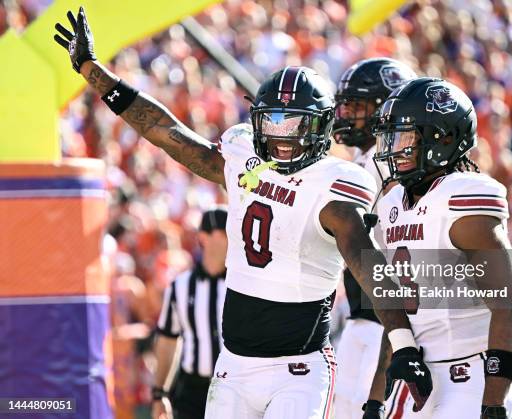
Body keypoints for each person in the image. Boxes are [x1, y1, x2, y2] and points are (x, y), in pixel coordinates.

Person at [54, 8, 433, 418]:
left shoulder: (335, 183)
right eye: (272, 121)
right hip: (232, 366)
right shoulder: (244, 157)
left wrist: (404, 343)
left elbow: (368, 264)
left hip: (298, 369)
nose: (281, 136)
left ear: (321, 128)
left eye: (295, 124)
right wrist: (95, 73)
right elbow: (168, 135)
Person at [366, 77, 512, 419]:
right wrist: (376, 400)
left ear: (445, 138)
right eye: (390, 137)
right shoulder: (391, 203)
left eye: (405, 137)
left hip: (468, 375)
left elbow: (508, 306)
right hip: (413, 375)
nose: (393, 149)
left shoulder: (462, 200)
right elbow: (397, 315)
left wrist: (494, 400)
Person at [332, 58, 416, 419]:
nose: (346, 112)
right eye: (345, 103)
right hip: (364, 316)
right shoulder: (367, 162)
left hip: (386, 322)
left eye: (358, 104)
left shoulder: (388, 164)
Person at [152, 208, 228, 419]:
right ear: (203, 238)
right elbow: (168, 340)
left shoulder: (242, 286)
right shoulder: (180, 286)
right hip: (193, 390)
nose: (231, 240)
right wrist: (160, 392)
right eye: (223, 234)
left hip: (234, 388)